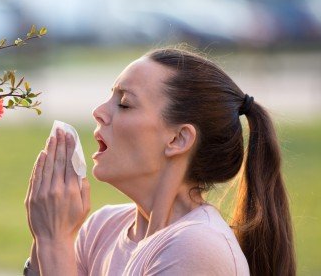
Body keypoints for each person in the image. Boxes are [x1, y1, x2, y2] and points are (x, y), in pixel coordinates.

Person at [24, 47, 296, 276]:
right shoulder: (103, 228)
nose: (99, 112)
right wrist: (44, 236)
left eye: (125, 103)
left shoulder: (197, 247)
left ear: (178, 139)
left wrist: (53, 240)